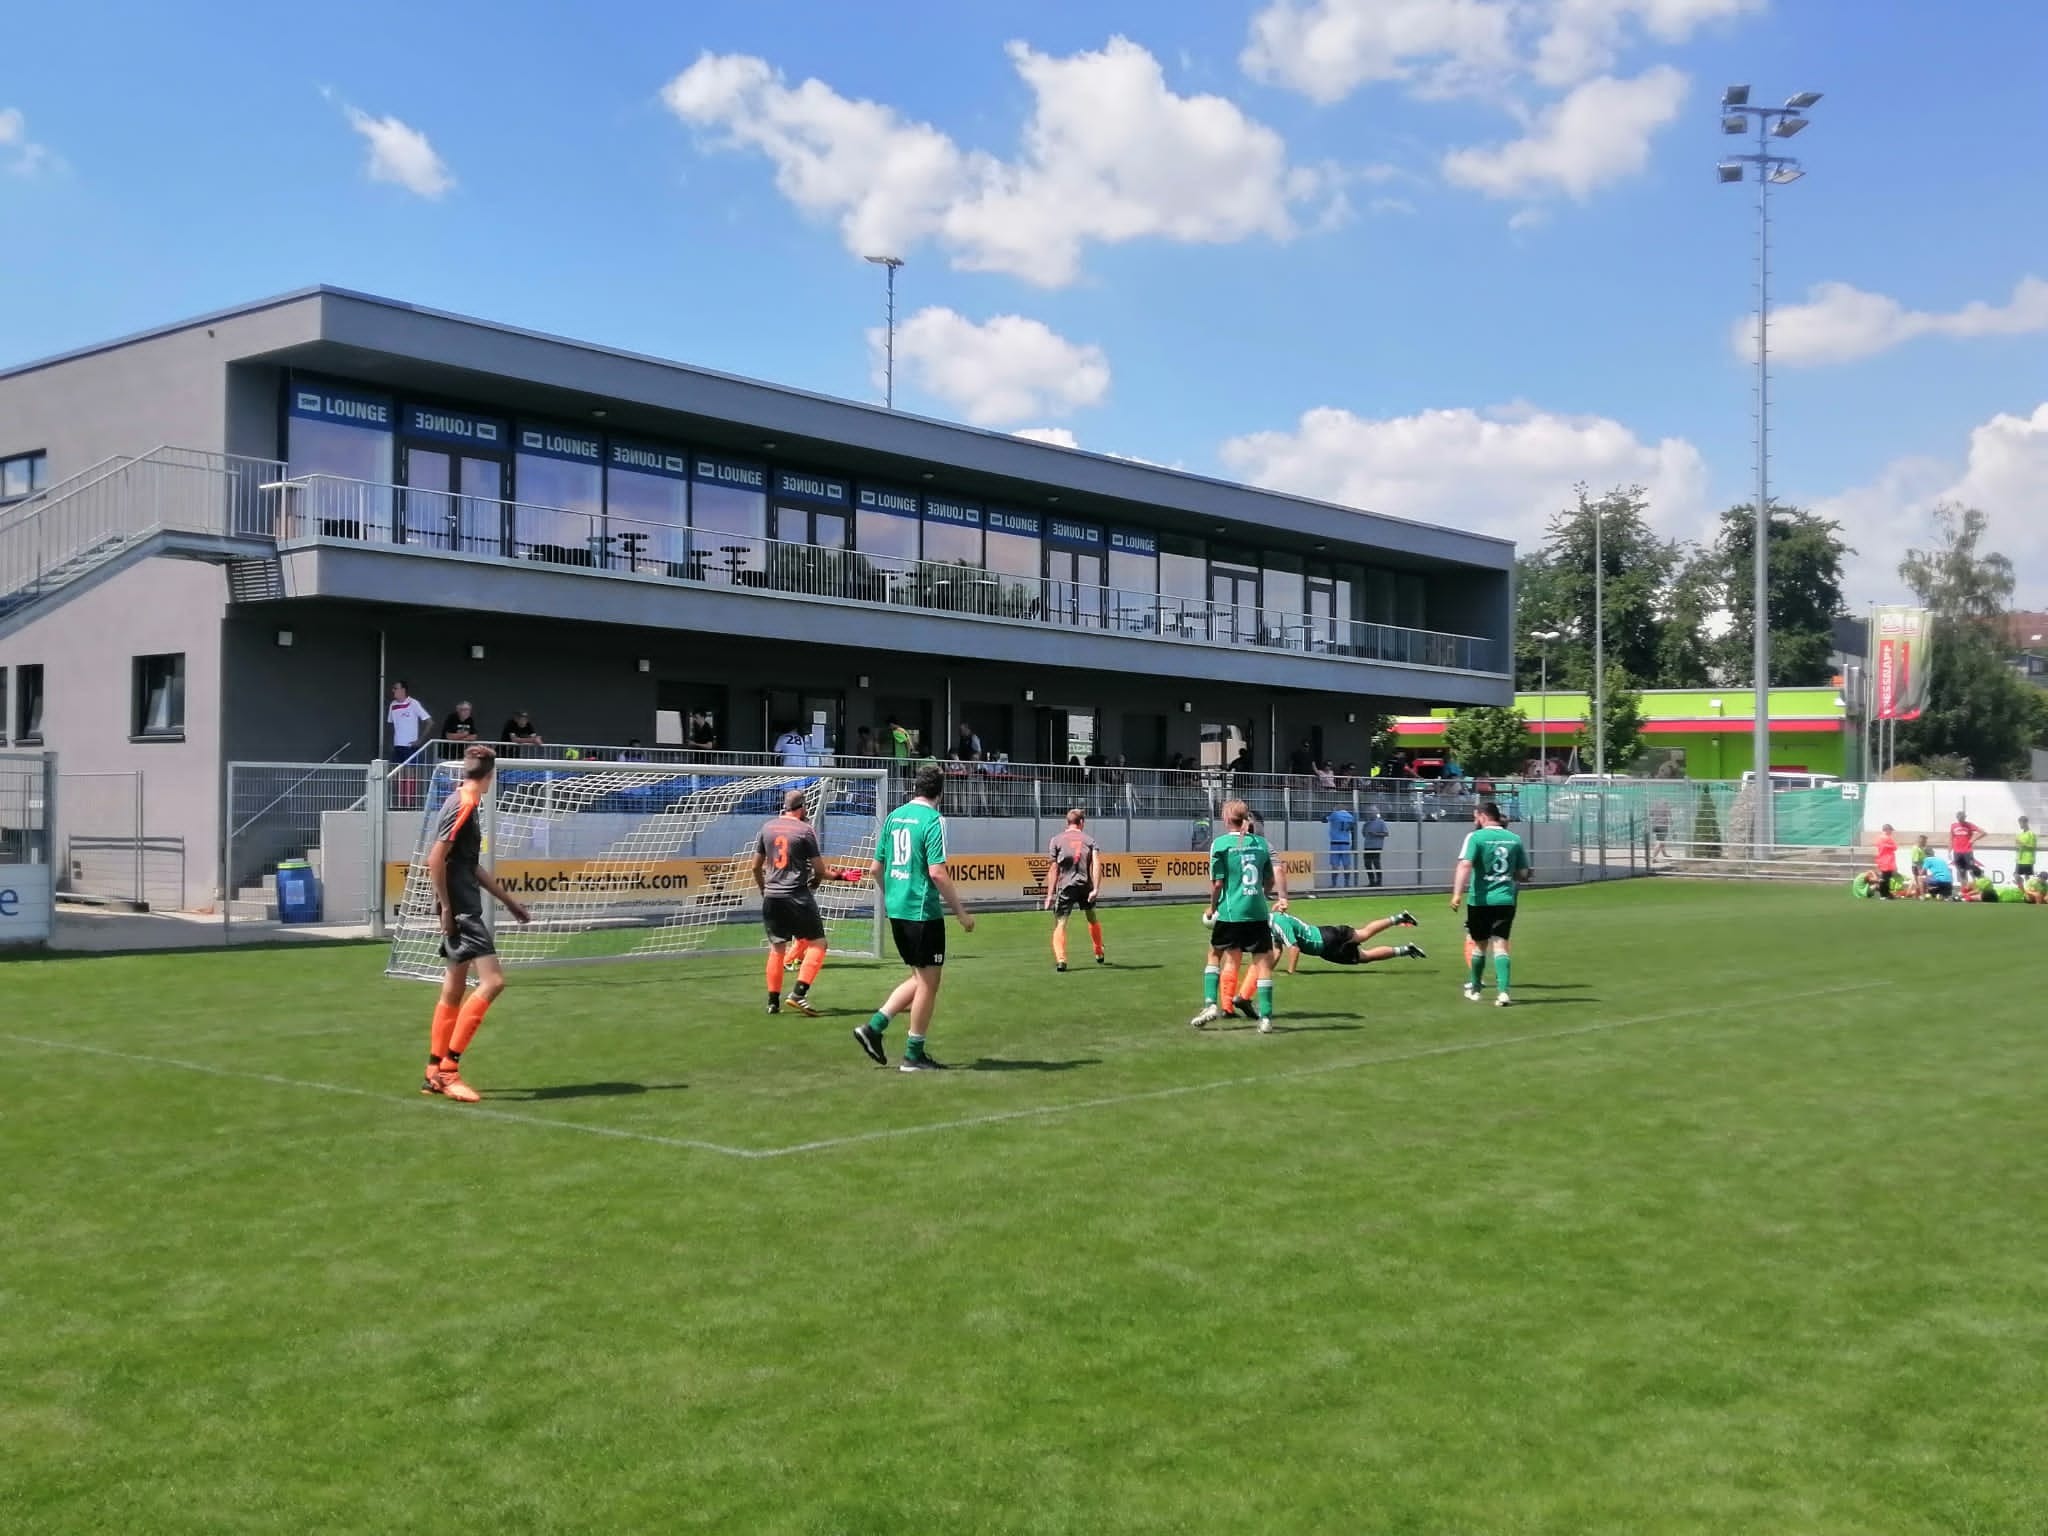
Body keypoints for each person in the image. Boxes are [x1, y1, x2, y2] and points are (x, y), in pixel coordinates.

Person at [420, 746, 532, 1103]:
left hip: (461, 906)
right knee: (493, 982)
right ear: (491, 775)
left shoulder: (460, 798)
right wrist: (447, 908)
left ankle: (433, 1071)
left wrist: (509, 902)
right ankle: (449, 1070)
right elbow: (434, 859)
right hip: (463, 911)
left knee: (453, 988)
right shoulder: (465, 803)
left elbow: (469, 864)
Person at [853, 764, 975, 1071]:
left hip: (897, 910)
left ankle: (874, 1028)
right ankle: (913, 1055)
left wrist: (894, 894)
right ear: (940, 792)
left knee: (920, 978)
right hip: (922, 914)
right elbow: (937, 872)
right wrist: (961, 913)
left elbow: (875, 869)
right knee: (929, 984)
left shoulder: (894, 817)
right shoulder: (933, 820)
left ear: (915, 787)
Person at [1190, 799, 1285, 1033]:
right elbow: (1270, 879)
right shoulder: (1261, 844)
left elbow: (1217, 884)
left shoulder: (1220, 844)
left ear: (1225, 819)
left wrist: (1212, 907)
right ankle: (1266, 1018)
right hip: (1257, 913)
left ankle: (1211, 1004)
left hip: (1230, 913)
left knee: (1215, 954)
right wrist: (1263, 894)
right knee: (1262, 963)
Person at [751, 788, 829, 1016]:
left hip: (772, 896)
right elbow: (819, 869)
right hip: (797, 895)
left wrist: (764, 889)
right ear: (802, 807)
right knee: (819, 944)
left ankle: (772, 1002)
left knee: (777, 948)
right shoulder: (805, 830)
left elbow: (755, 866)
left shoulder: (767, 827)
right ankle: (798, 993)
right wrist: (815, 883)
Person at [1450, 800, 1530, 1007]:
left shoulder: (1476, 837)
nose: (1475, 821)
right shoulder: (1515, 839)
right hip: (1505, 899)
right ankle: (1503, 993)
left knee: (1479, 945)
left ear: (1483, 816)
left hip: (1480, 900)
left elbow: (1465, 865)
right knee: (1501, 945)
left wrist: (1457, 894)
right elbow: (1523, 873)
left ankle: (1476, 989)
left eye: (1476, 817)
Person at [1267, 909, 1424, 978]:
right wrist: (1268, 970)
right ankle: (1405, 938)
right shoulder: (1271, 922)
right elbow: (1277, 949)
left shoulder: (1277, 923)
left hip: (1326, 942)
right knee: (1364, 942)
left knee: (1365, 948)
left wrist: (1291, 973)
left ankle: (1405, 940)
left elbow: (1294, 948)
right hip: (1326, 939)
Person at [1044, 808, 1106, 971]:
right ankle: (1098, 951)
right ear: (1082, 823)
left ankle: (1061, 959)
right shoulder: (1090, 840)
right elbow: (1097, 865)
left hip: (1066, 886)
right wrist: (1096, 889)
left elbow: (1053, 869)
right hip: (1085, 885)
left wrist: (1049, 895)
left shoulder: (1056, 840)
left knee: (1060, 923)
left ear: (1067, 822)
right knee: (1091, 917)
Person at [387, 680, 433, 757]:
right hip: (397, 746)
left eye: (395, 688)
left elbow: (430, 722)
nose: (393, 690)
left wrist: (420, 741)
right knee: (396, 765)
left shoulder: (413, 703)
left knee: (411, 765)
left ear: (403, 690)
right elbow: (391, 725)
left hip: (410, 747)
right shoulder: (392, 704)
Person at [1949, 810, 1986, 885]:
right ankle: (1964, 889)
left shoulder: (1969, 825)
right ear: (1957, 817)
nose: (1961, 819)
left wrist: (1973, 840)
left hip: (1967, 851)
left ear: (1965, 817)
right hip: (1957, 852)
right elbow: (1951, 839)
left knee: (1971, 870)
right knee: (1961, 871)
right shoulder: (1953, 826)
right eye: (1959, 817)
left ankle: (1977, 886)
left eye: (1962, 817)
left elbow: (1983, 832)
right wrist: (1949, 851)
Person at [1326, 802, 1357, 888]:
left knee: (1335, 865)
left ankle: (1334, 884)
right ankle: (1347, 883)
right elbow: (1353, 831)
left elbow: (1324, 819)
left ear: (1338, 807)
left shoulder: (1335, 814)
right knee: (1346, 865)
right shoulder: (1350, 816)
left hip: (1335, 842)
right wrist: (1353, 843)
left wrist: (1331, 812)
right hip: (1346, 842)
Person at [1360, 808, 1390, 888]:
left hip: (1376, 846)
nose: (1370, 814)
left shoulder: (1381, 822)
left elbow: (1386, 833)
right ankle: (1372, 881)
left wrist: (1375, 834)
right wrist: (1365, 827)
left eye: (1372, 812)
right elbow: (1364, 834)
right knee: (1367, 864)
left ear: (1375, 813)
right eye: (1369, 813)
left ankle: (1379, 882)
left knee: (1376, 863)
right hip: (1367, 846)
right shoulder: (1367, 823)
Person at [1870, 823, 1900, 900]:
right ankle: (1883, 895)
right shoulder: (1885, 838)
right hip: (1886, 861)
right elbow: (1894, 847)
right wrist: (1891, 846)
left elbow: (1893, 847)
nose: (1891, 832)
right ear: (1886, 830)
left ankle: (1886, 894)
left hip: (1886, 861)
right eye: (1890, 830)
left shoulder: (1883, 838)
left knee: (1887, 878)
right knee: (1885, 878)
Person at [2017, 815, 2038, 882]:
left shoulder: (2031, 834)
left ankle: (2028, 888)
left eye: (2021, 823)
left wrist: (2022, 844)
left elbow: (2032, 846)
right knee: (2016, 875)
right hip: (2020, 859)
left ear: (2025, 823)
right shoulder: (2021, 834)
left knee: (2027, 877)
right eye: (2019, 823)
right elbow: (2019, 846)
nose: (2020, 825)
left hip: (2028, 859)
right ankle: (2022, 887)